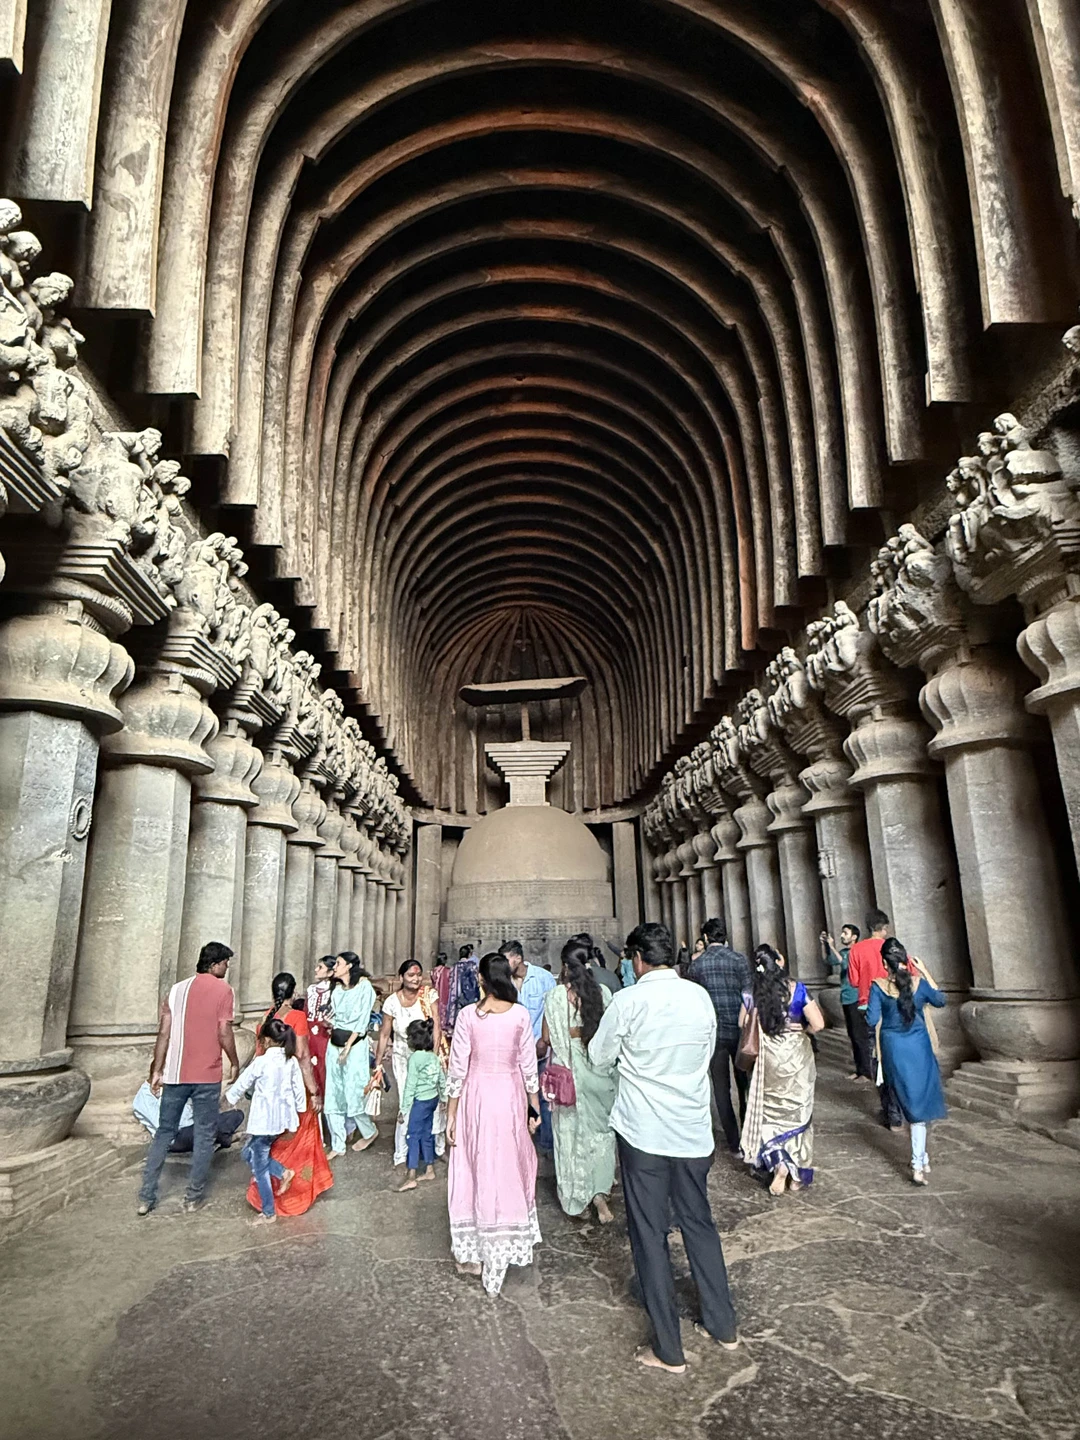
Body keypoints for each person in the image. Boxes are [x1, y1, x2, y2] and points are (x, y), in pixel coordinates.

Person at [589, 922, 738, 1374]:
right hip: (692, 1131)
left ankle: (669, 1350)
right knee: (699, 1223)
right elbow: (709, 1051)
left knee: (650, 1235)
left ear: (636, 959)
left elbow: (599, 1055)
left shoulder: (629, 1000)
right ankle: (722, 1324)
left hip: (645, 1135)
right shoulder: (699, 996)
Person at [446, 952, 542, 1296]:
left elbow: (457, 1069)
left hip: (476, 1097)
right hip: (510, 1097)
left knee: (475, 1166)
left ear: (481, 980)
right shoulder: (520, 1015)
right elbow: (529, 1066)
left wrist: (451, 1113)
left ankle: (481, 1252)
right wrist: (534, 1108)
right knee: (507, 1166)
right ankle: (501, 1252)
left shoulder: (468, 1016)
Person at [137, 941, 239, 1216]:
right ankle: (192, 1197)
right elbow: (224, 1031)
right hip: (206, 1074)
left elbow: (163, 1034)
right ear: (216, 964)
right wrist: (234, 1060)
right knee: (205, 1134)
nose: (227, 968)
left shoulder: (176, 990)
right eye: (226, 963)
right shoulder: (223, 990)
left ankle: (146, 1196)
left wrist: (156, 1070)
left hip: (174, 1074)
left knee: (163, 1133)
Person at [739, 944, 825, 1196]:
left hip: (769, 1057)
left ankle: (778, 1162)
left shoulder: (752, 991)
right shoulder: (796, 988)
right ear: (779, 961)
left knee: (769, 1113)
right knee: (799, 1113)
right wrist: (802, 1031)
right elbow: (818, 1023)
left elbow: (742, 1023)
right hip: (797, 1056)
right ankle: (796, 1173)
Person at [541, 939, 617, 1223]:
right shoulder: (604, 994)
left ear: (564, 966)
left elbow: (547, 1039)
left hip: (568, 1077)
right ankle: (600, 1196)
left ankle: (577, 1201)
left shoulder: (555, 997)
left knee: (570, 1138)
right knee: (601, 1137)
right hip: (598, 1073)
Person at [245, 973, 332, 1217]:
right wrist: (314, 1092)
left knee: (270, 1143)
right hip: (294, 1089)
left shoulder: (265, 1018)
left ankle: (268, 1186)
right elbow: (303, 1056)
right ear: (293, 994)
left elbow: (258, 1056)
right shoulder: (297, 1017)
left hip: (269, 1092)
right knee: (300, 1140)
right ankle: (296, 1193)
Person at [865, 938, 948, 1185]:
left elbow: (871, 1020)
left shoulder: (878, 987)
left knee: (908, 1102)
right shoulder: (918, 983)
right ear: (906, 959)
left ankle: (920, 1159)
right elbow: (941, 1000)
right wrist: (924, 971)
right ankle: (918, 1161)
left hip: (893, 1048)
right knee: (920, 1102)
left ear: (883, 962)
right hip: (919, 1046)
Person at [226, 1017, 307, 1226]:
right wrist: (299, 1113)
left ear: (268, 1040)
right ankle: (282, 1171)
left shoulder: (261, 1062)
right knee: (248, 1152)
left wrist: (228, 1099)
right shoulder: (291, 1061)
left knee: (260, 1167)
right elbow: (299, 1090)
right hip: (281, 1120)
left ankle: (269, 1212)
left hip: (264, 1121)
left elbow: (242, 1083)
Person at [687, 918, 752, 1154]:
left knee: (721, 1089)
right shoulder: (739, 960)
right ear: (725, 936)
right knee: (745, 1083)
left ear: (705, 938)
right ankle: (749, 1134)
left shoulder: (697, 965)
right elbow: (748, 994)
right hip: (740, 1030)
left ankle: (734, 1141)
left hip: (713, 1032)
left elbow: (695, 1002)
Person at [375, 959, 445, 1166]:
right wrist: (377, 1063)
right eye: (410, 975)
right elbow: (384, 1033)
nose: (415, 979)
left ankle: (437, 1147)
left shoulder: (428, 995)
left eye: (418, 975)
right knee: (408, 1099)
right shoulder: (392, 1002)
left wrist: (432, 1058)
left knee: (432, 1097)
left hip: (426, 1056)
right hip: (403, 1056)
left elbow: (437, 1027)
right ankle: (402, 1152)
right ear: (401, 978)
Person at [500, 938, 557, 1153]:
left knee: (543, 1096)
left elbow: (552, 1009)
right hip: (513, 1051)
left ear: (519, 958)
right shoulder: (504, 981)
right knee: (516, 1097)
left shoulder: (543, 978)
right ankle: (519, 1144)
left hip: (540, 1047)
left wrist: (544, 1040)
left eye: (507, 960)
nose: (505, 965)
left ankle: (546, 1145)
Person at [847, 909, 903, 1129]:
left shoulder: (857, 949)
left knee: (877, 1061)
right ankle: (899, 1109)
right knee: (896, 1059)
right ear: (884, 927)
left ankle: (890, 1111)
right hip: (894, 1007)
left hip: (868, 1007)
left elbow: (853, 980)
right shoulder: (893, 947)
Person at [324, 952, 379, 1157]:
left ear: (348, 966)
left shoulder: (364, 987)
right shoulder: (337, 989)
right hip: (334, 1045)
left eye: (338, 963)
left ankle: (369, 1131)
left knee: (354, 1092)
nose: (334, 967)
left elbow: (362, 1019)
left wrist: (348, 1045)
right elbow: (337, 1017)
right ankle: (338, 1144)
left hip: (355, 1046)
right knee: (333, 1093)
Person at [397, 1018, 448, 1192]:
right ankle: (429, 1169)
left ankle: (411, 1175)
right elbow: (441, 1079)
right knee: (427, 1133)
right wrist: (444, 1099)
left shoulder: (415, 1059)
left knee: (412, 1136)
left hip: (420, 1102)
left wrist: (404, 1110)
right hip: (432, 1100)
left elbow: (410, 1086)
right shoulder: (433, 1057)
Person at [820, 925, 874, 1082]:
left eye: (845, 933)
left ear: (854, 937)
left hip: (857, 997)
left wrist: (831, 944)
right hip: (847, 998)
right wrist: (824, 945)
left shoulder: (856, 952)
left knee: (860, 1036)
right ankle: (859, 1070)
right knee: (853, 1035)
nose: (842, 936)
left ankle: (866, 1072)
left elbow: (841, 962)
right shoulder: (844, 952)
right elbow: (829, 960)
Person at [132, 1082, 243, 1153]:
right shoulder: (144, 1097)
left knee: (236, 1115)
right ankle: (223, 1139)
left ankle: (215, 1139)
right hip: (176, 1136)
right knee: (212, 1126)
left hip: (190, 1127)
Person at [306, 955, 336, 1095]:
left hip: (326, 1035)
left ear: (330, 972)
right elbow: (306, 1011)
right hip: (310, 1034)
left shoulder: (336, 991)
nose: (316, 970)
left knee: (325, 1069)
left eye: (320, 967)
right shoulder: (311, 989)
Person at [445, 944, 480, 1034]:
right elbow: (476, 980)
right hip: (470, 995)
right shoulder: (472, 965)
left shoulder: (454, 966)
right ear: (469, 954)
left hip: (456, 994)